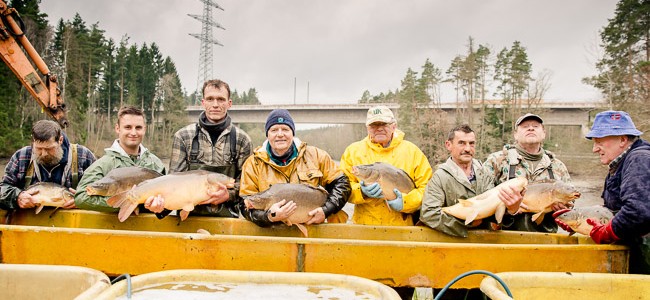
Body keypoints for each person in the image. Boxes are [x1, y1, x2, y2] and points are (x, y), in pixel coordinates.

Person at [555, 110, 649, 274]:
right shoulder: (619, 164)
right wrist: (581, 221)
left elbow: (638, 211)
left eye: (599, 142)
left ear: (622, 139)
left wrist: (608, 231)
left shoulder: (639, 160)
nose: (594, 149)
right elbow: (616, 210)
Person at [239, 109, 350, 227]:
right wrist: (269, 216)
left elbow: (343, 184)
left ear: (293, 133)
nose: (280, 134)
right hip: (272, 235)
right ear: (267, 134)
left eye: (285, 129)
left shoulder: (317, 155)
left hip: (311, 232)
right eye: (274, 130)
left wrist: (326, 210)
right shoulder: (252, 164)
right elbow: (245, 205)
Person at [169, 79, 253, 217]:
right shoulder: (183, 136)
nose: (215, 104)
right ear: (203, 103)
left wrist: (228, 195)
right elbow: (174, 182)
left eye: (221, 99)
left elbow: (247, 186)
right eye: (210, 99)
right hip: (188, 218)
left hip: (228, 219)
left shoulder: (242, 140)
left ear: (229, 103)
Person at [420, 125, 523, 238]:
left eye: (471, 143)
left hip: (484, 243)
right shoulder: (440, 176)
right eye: (461, 143)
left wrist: (512, 209)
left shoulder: (485, 173)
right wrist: (464, 225)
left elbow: (494, 213)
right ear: (448, 145)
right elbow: (429, 213)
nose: (468, 149)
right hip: (452, 244)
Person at [340, 106, 433, 227]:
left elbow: (427, 189)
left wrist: (405, 203)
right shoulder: (352, 151)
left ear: (394, 126)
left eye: (384, 124)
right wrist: (361, 192)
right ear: (367, 128)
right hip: (364, 228)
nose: (379, 129)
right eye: (374, 125)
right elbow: (343, 188)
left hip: (402, 229)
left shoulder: (413, 152)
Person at [481, 113, 572, 232]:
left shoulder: (558, 166)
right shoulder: (496, 161)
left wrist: (562, 208)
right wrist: (508, 209)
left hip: (546, 240)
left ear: (544, 133)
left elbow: (571, 201)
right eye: (525, 126)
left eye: (535, 126)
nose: (531, 128)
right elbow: (482, 197)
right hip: (504, 239)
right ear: (515, 135)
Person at [74, 106, 166, 212]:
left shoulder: (156, 163)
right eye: (128, 127)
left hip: (149, 227)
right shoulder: (102, 164)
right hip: (113, 227)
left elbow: (168, 200)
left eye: (138, 128)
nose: (133, 133)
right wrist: (124, 203)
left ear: (144, 129)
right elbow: (81, 197)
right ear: (117, 128)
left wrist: (161, 208)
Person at [0, 120, 95, 211]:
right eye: (39, 149)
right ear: (33, 142)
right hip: (29, 221)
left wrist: (83, 200)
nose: (44, 153)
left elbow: (101, 189)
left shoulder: (83, 156)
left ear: (60, 140)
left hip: (75, 222)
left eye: (49, 148)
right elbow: (3, 189)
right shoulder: (21, 156)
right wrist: (17, 197)